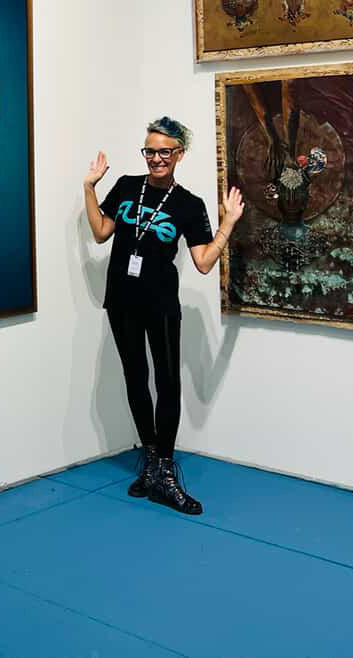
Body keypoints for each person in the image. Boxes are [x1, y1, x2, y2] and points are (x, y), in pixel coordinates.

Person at [83, 116, 244, 515]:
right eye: (150, 151)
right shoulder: (126, 186)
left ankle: (165, 472)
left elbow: (203, 262)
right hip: (121, 300)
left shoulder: (189, 204)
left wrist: (227, 224)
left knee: (168, 384)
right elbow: (101, 232)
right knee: (135, 380)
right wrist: (89, 187)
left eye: (164, 152)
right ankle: (152, 465)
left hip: (161, 304)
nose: (156, 159)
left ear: (179, 155)